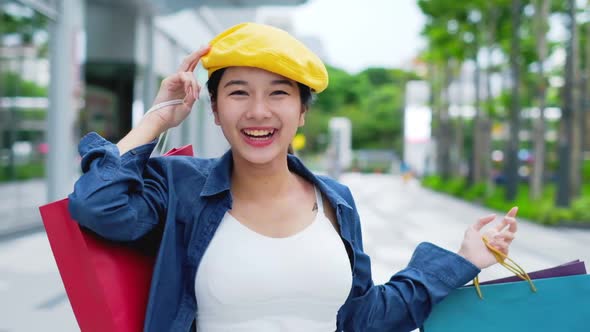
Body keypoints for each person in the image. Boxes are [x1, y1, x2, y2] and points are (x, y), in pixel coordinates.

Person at [68, 23, 519, 332]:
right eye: (238, 92)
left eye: (279, 94)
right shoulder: (182, 185)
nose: (258, 111)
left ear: (301, 112)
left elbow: (364, 318)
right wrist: (157, 118)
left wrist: (465, 258)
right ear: (215, 109)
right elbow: (98, 205)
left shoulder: (335, 200)